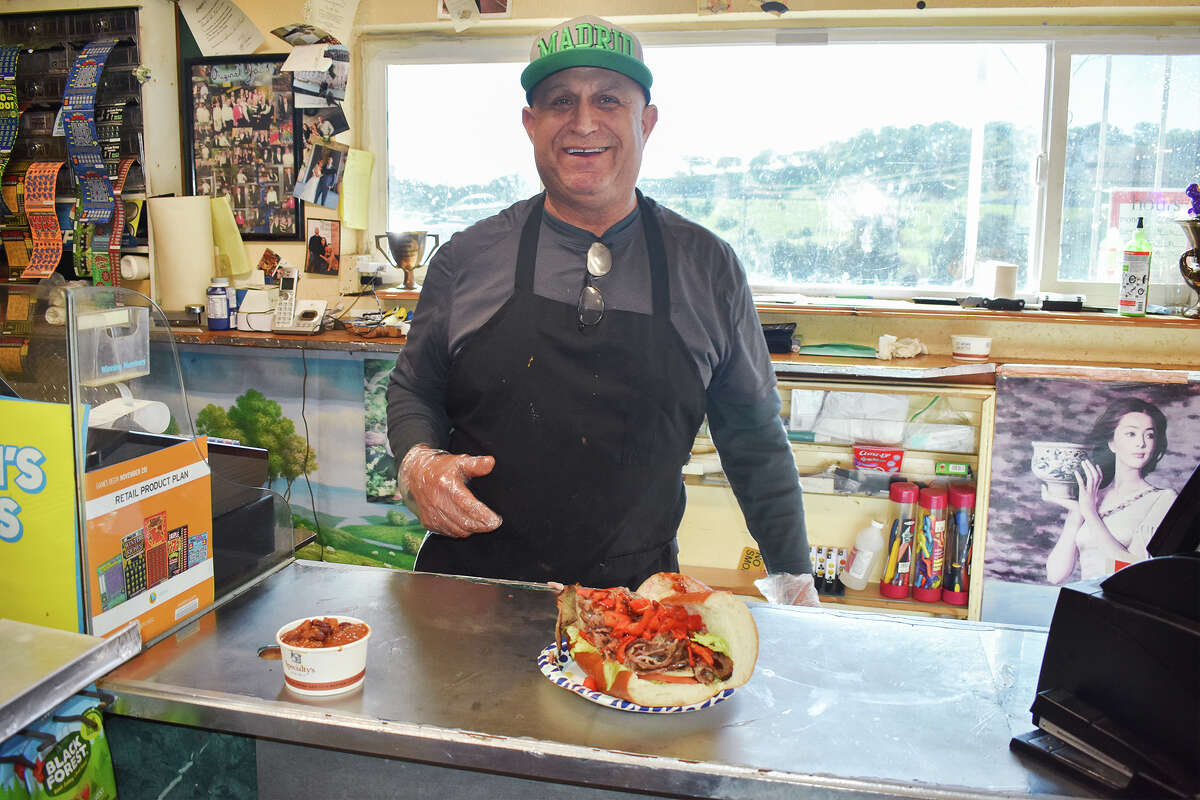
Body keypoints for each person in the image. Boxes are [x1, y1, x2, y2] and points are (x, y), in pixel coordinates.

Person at [386, 15, 816, 603]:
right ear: (530, 124)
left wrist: (794, 580)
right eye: (561, 101)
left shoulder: (708, 266)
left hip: (637, 605)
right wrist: (417, 461)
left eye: (608, 99)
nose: (583, 122)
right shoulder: (468, 257)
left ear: (647, 121)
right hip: (472, 589)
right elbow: (413, 387)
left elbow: (754, 437)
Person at [1043, 397, 1176, 584]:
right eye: (1131, 434)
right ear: (1111, 443)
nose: (1141, 443)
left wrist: (1090, 512)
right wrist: (1077, 511)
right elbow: (1055, 575)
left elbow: (1135, 569)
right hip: (1083, 604)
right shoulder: (1091, 496)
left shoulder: (1163, 499)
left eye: (1149, 435)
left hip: (1123, 606)